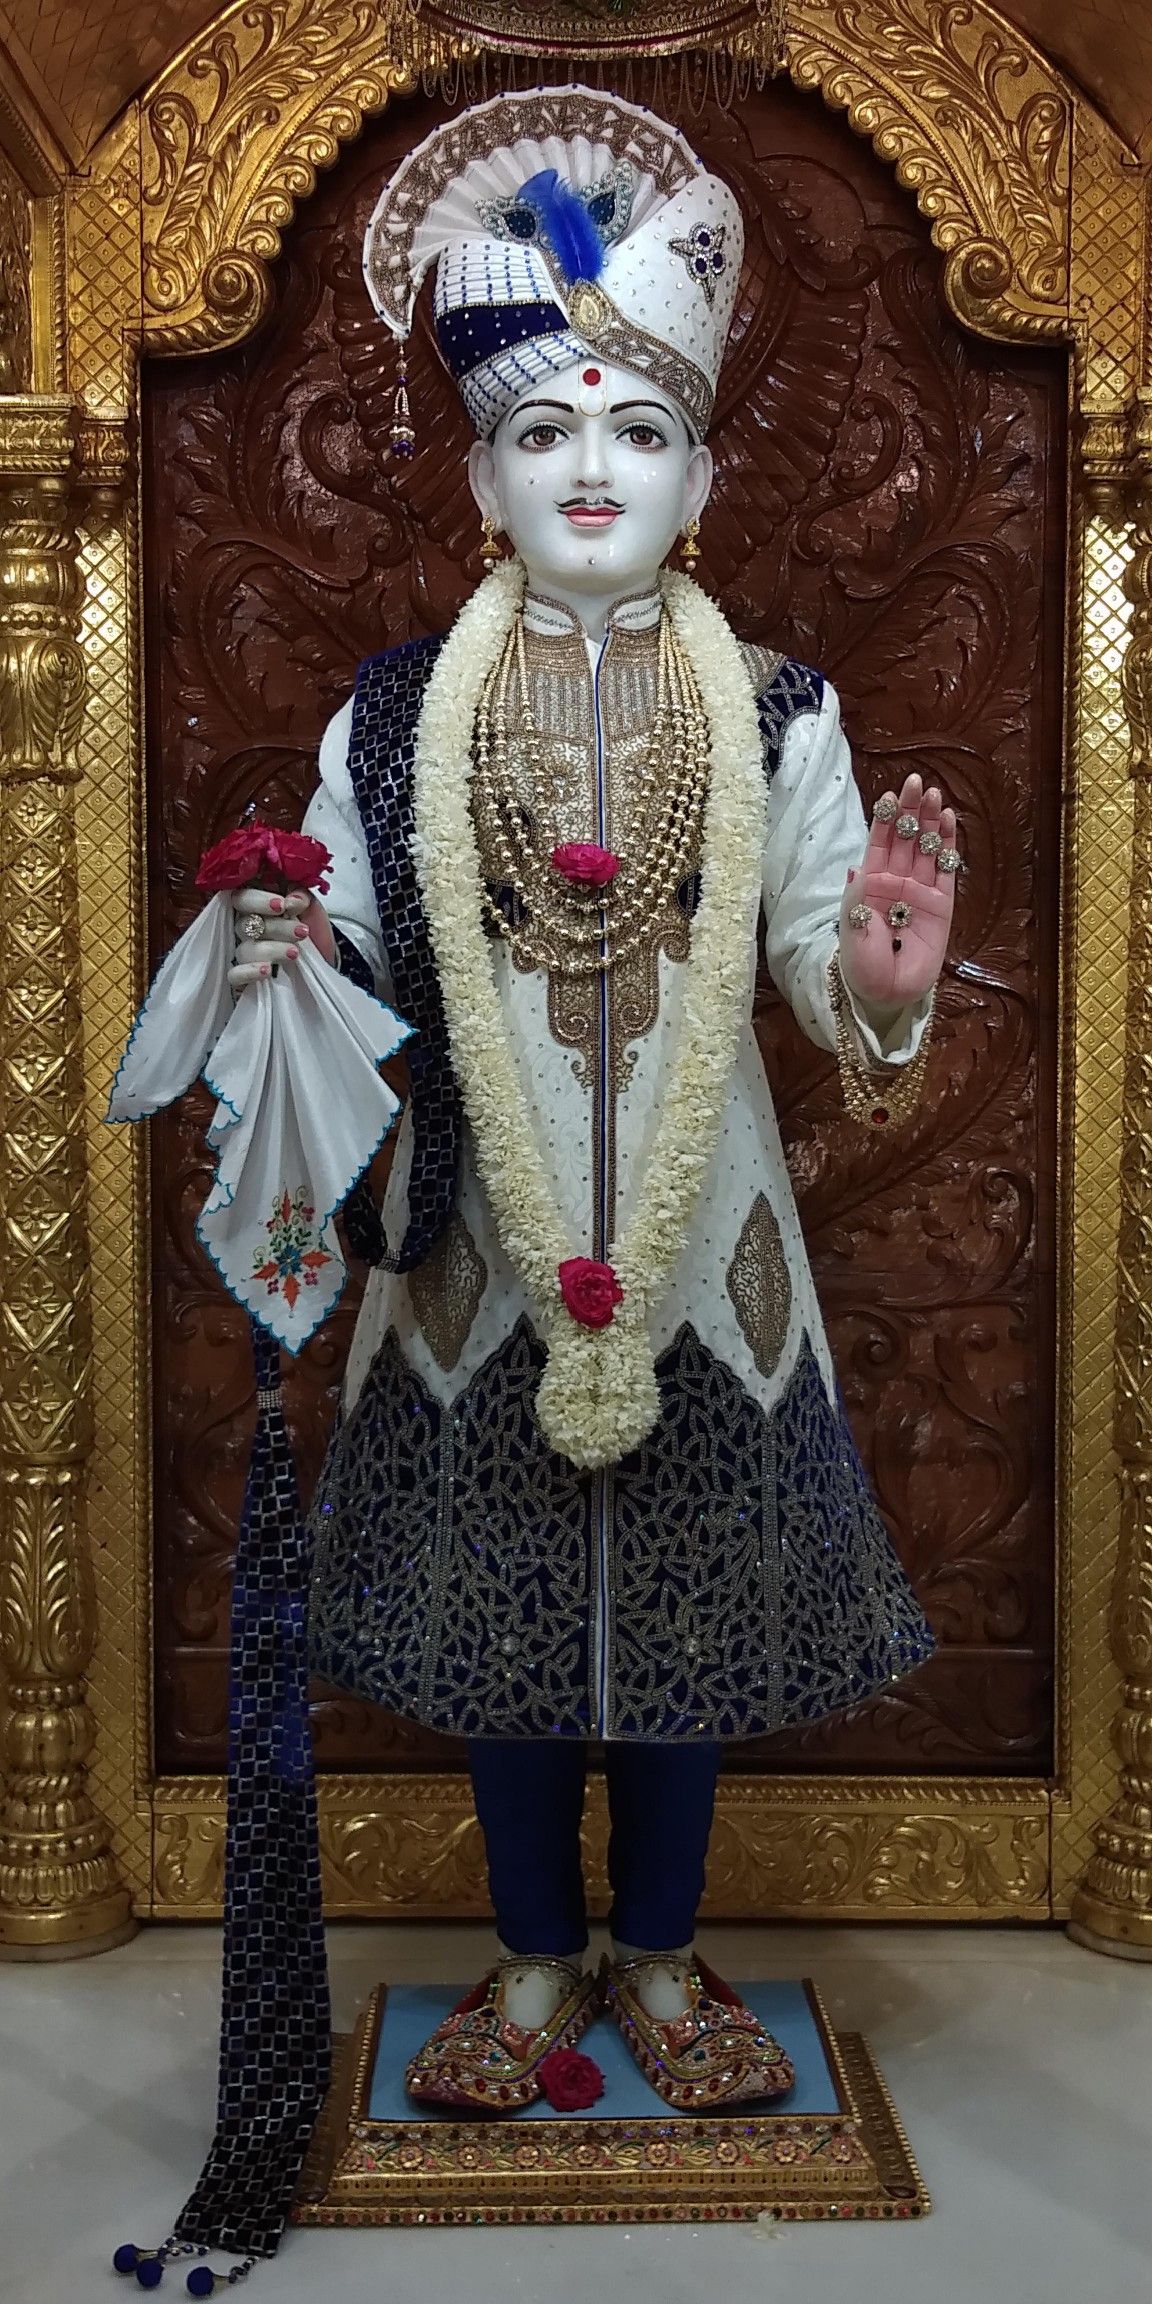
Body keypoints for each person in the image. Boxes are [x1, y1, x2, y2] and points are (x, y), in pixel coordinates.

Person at [205, 85, 956, 2119]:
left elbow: (818, 951)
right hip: (475, 1255)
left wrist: (875, 974)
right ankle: (536, 1966)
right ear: (480, 477)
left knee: (691, 1624)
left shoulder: (783, 707)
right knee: (512, 1627)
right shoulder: (388, 721)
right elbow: (349, 963)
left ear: (706, 470)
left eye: (639, 429)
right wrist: (292, 975)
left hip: (713, 1257)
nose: (593, 470)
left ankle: (669, 1953)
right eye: (545, 433)